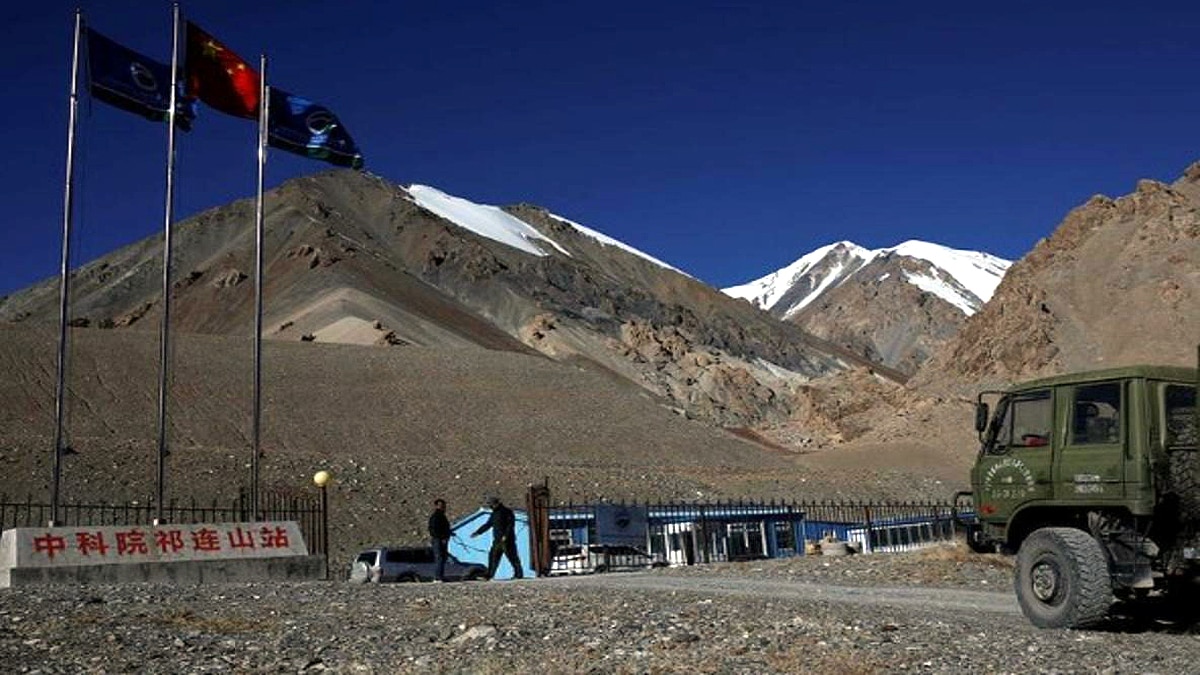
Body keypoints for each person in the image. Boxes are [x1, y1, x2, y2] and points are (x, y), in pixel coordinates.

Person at [472, 496, 523, 579]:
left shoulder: (506, 512)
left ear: (496, 504)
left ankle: (518, 574)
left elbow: (510, 525)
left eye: (491, 505)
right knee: (493, 557)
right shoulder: (494, 514)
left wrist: (506, 535)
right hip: (497, 540)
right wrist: (478, 532)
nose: (490, 507)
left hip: (507, 540)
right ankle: (488, 575)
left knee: (512, 557)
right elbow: (488, 524)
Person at [428, 498, 452, 582]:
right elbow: (434, 530)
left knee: (443, 558)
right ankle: (437, 577)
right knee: (440, 558)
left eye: (444, 505)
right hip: (438, 540)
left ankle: (441, 576)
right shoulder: (436, 516)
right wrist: (442, 537)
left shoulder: (442, 516)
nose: (443, 507)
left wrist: (449, 533)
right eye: (441, 505)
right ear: (437, 506)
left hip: (442, 539)